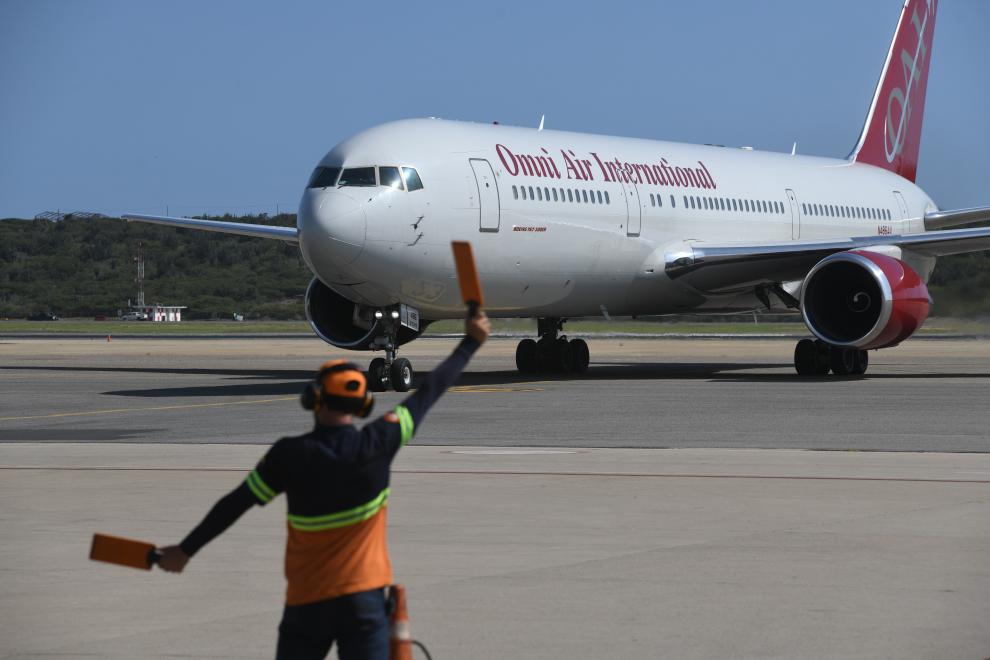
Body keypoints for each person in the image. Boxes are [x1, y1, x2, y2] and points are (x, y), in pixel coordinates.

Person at [157, 311, 491, 660]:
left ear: (313, 399)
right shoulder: (380, 441)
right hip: (364, 602)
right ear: (363, 405)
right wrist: (470, 343)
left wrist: (185, 550)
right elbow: (431, 391)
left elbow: (234, 505)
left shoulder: (288, 455)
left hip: (307, 603)